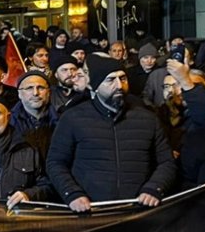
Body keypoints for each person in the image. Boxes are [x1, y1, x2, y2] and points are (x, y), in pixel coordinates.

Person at [47, 55, 176, 213]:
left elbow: (166, 162)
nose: (119, 86)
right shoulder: (72, 118)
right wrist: (72, 194)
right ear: (95, 85)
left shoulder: (148, 119)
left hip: (137, 211)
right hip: (90, 211)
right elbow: (56, 162)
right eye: (110, 80)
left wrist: (154, 188)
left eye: (123, 78)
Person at [9, 70, 59, 159]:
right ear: (19, 94)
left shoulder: (62, 121)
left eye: (41, 88)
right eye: (29, 88)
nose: (35, 93)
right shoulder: (8, 122)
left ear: (49, 93)